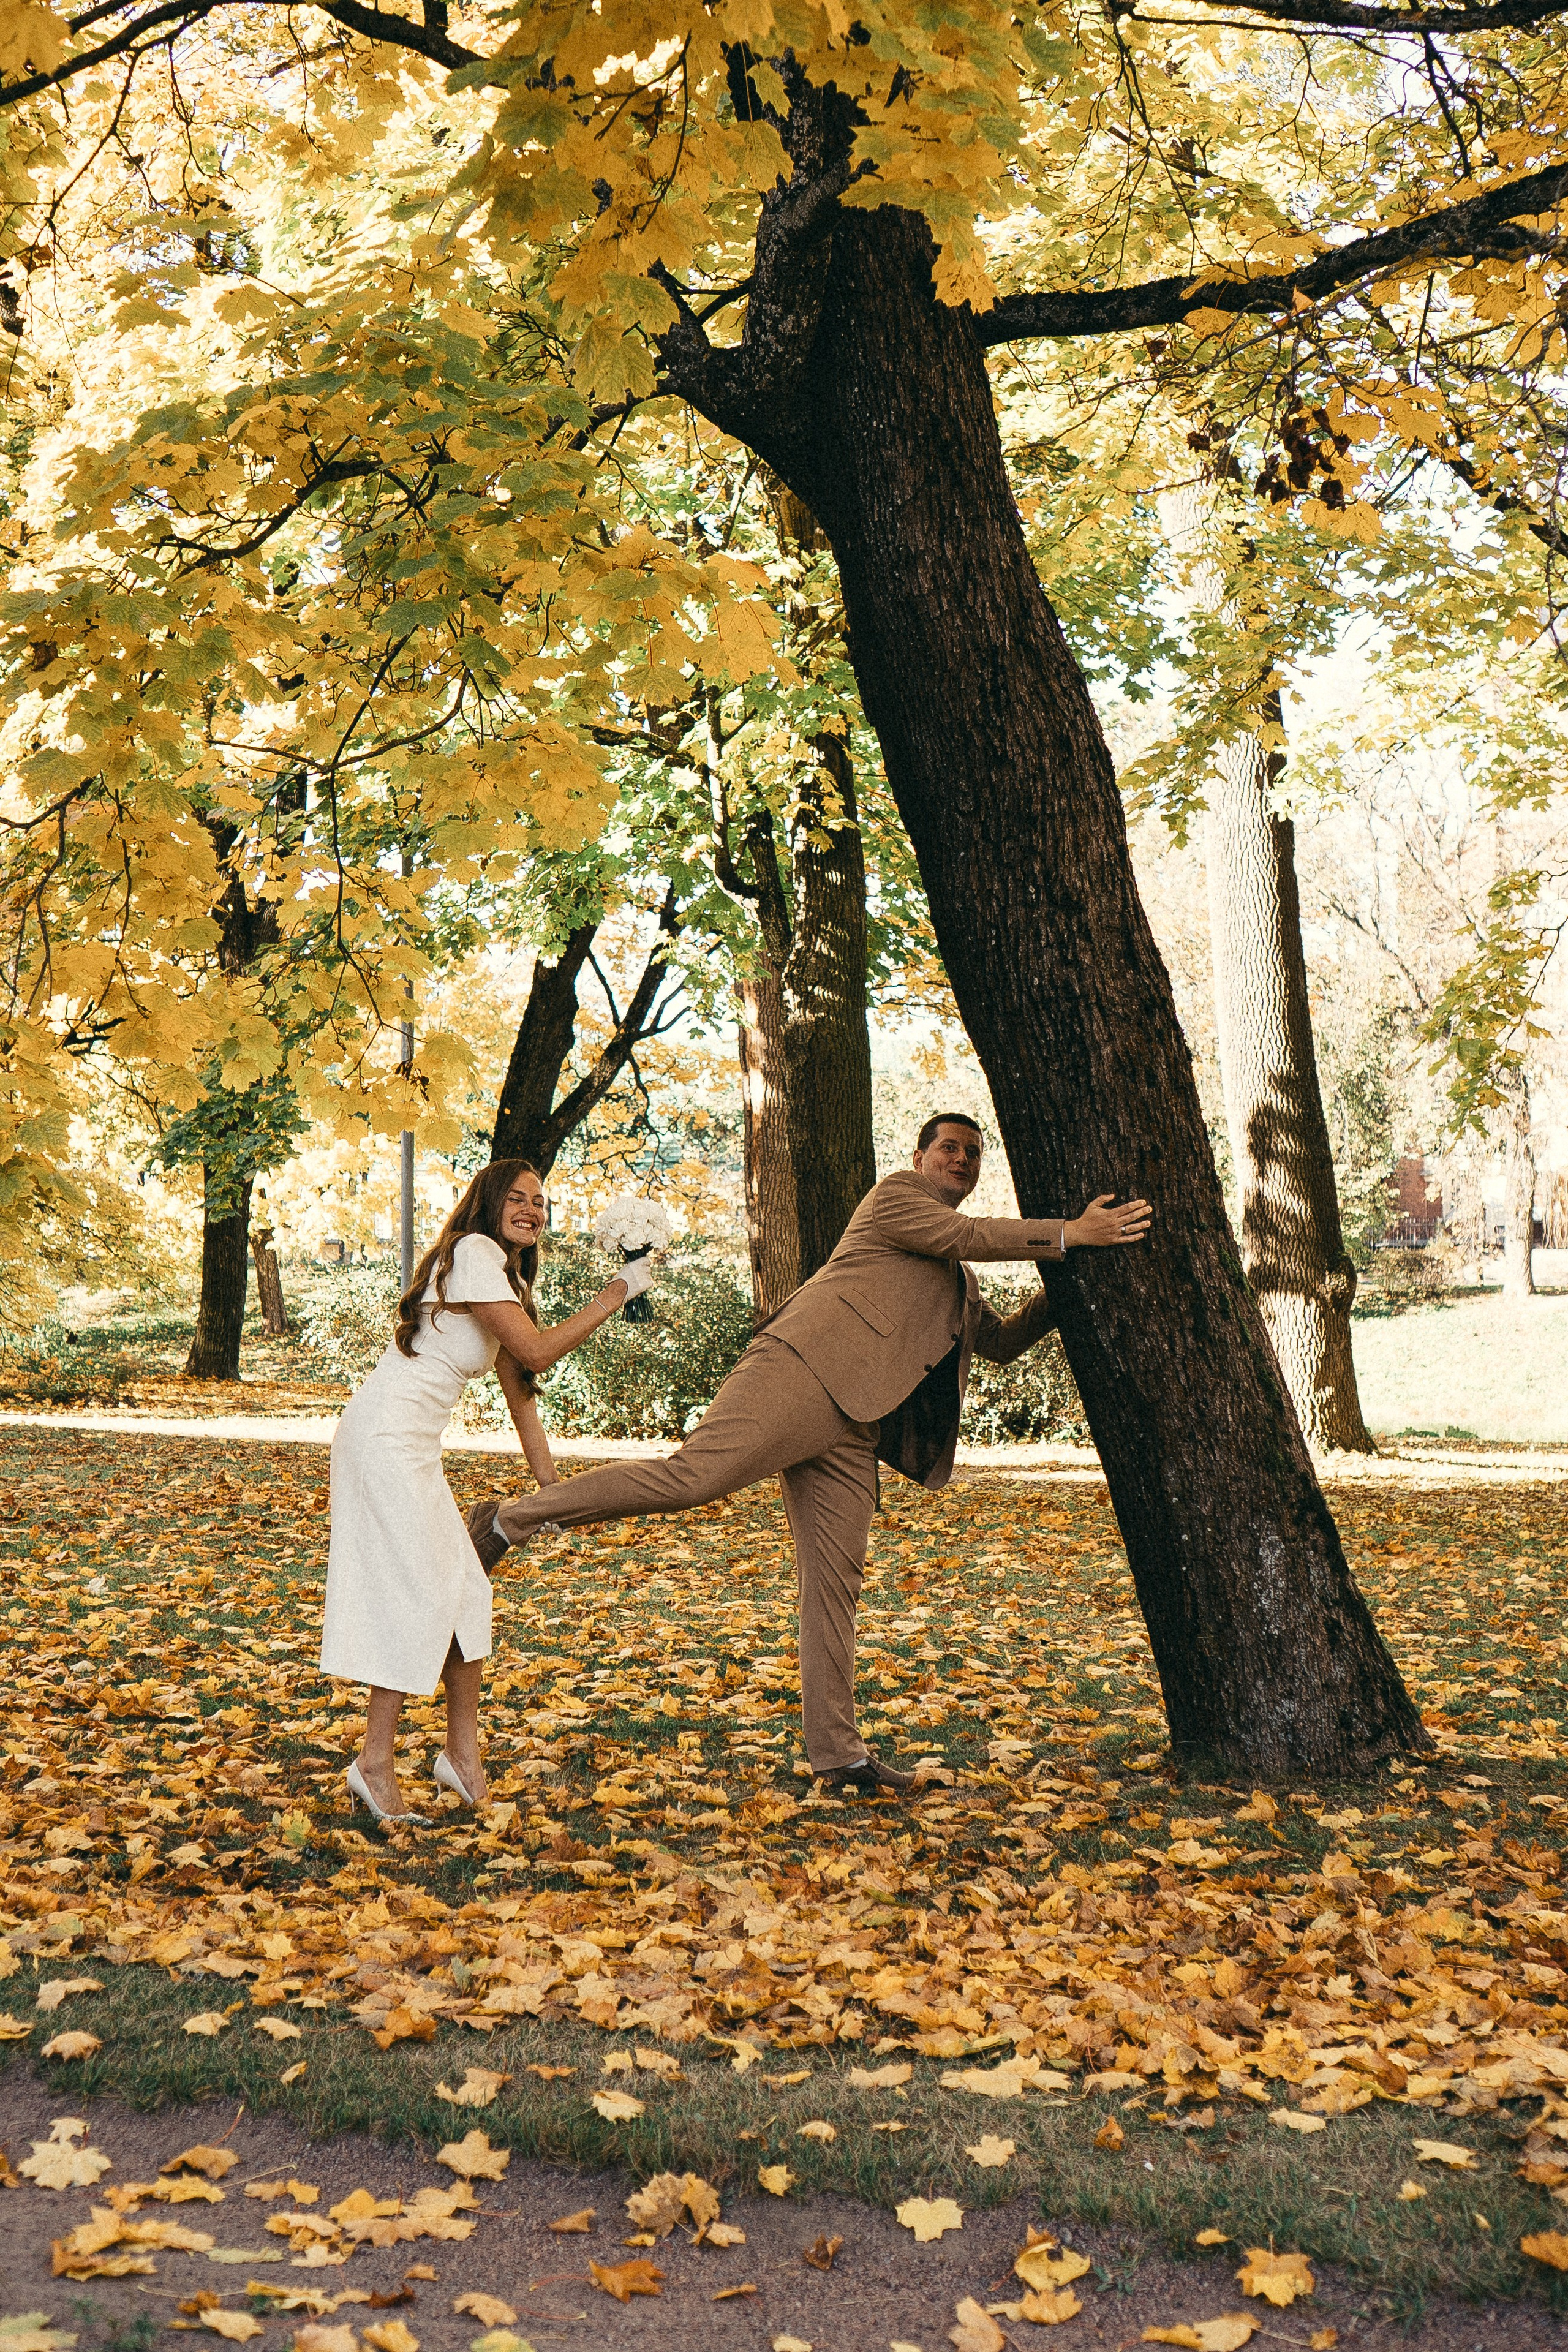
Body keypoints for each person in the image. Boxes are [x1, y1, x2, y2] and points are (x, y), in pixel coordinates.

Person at [469, 1116, 1152, 1795]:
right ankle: (510, 1518)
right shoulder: (895, 1200)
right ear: (920, 1158)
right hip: (798, 1372)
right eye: (949, 1147)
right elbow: (966, 1233)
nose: (962, 1159)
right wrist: (1068, 1234)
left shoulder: (961, 1281)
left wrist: (1069, 1287)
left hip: (856, 1429)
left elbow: (998, 1343)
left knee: (834, 1585)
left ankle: (839, 1755)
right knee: (691, 1477)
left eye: (973, 1153)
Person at [322, 1157, 652, 1823]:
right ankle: (374, 1763)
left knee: (468, 1591)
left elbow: (520, 1393)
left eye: (541, 1202)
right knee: (422, 1593)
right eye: (519, 1198)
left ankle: (460, 1759)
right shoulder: (473, 1251)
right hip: (384, 1440)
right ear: (490, 1203)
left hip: (409, 1444)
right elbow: (536, 1354)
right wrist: (617, 1292)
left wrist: (553, 1490)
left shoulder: (499, 1281)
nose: (532, 1209)